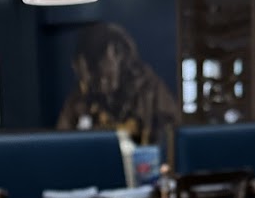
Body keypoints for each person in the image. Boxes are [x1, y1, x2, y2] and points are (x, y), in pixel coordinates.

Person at [56, 23, 178, 153]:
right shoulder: (79, 99)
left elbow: (172, 136)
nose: (101, 85)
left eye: (104, 77)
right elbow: (62, 145)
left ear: (120, 54)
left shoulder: (150, 90)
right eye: (93, 81)